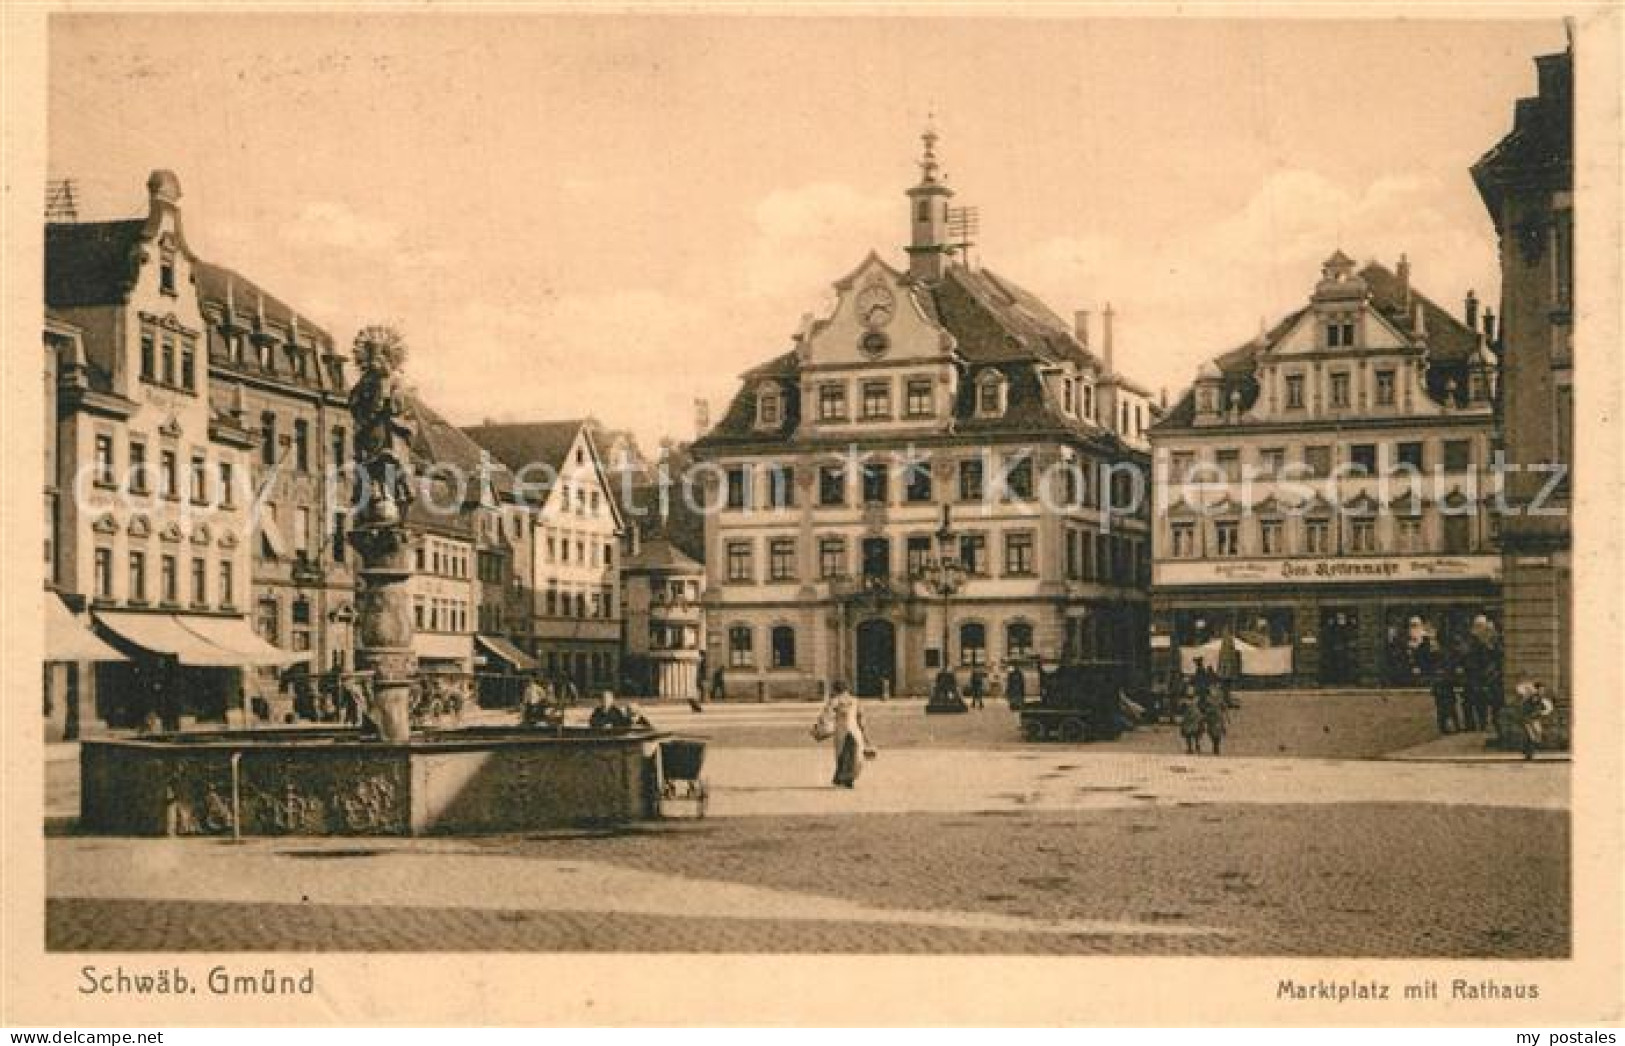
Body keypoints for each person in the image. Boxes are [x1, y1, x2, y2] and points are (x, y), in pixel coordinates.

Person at [817, 683, 871, 788]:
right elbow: (861, 719)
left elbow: (825, 715)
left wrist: (821, 726)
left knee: (842, 754)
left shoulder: (835, 701)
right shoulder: (855, 701)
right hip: (854, 731)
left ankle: (844, 778)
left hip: (841, 731)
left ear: (836, 690)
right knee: (854, 755)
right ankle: (849, 778)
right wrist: (865, 734)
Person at [1516, 681, 1554, 760]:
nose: (1542, 691)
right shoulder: (1528, 697)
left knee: (1537, 736)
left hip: (1535, 720)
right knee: (1530, 736)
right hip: (1527, 720)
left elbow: (1548, 708)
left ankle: (1528, 752)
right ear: (1536, 689)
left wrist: (1542, 712)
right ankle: (1529, 754)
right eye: (1540, 690)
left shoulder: (1541, 699)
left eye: (1543, 690)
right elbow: (1520, 689)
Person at [1431, 654, 1462, 735]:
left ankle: (1449, 728)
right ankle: (1448, 728)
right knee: (1446, 712)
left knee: (1448, 711)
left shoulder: (1442, 674)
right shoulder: (1444, 673)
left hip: (1445, 694)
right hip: (1444, 694)